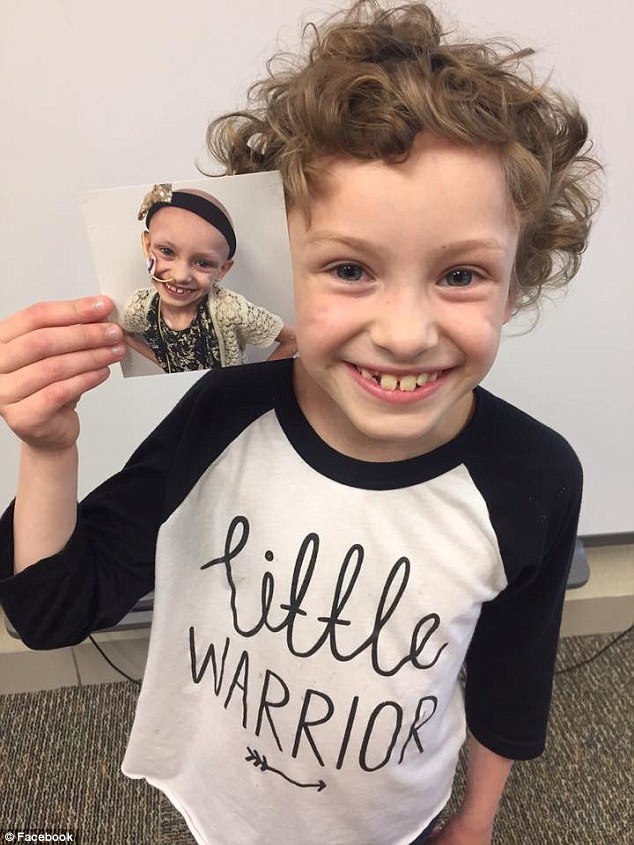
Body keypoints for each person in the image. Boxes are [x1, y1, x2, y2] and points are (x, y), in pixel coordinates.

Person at [0, 2, 601, 844]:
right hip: (224, 807)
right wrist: (47, 449)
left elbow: (513, 673)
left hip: (399, 820)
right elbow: (52, 610)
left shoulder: (534, 476)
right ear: (280, 272)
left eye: (461, 274)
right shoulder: (225, 412)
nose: (404, 333)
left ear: (515, 284)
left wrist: (476, 820)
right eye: (350, 268)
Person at [120, 184, 297, 373]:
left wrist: (251, 383)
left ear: (223, 269)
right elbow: (125, 334)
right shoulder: (139, 306)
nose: (180, 276)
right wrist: (165, 365)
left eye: (203, 263)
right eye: (167, 251)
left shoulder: (230, 310)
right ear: (148, 246)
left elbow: (293, 340)